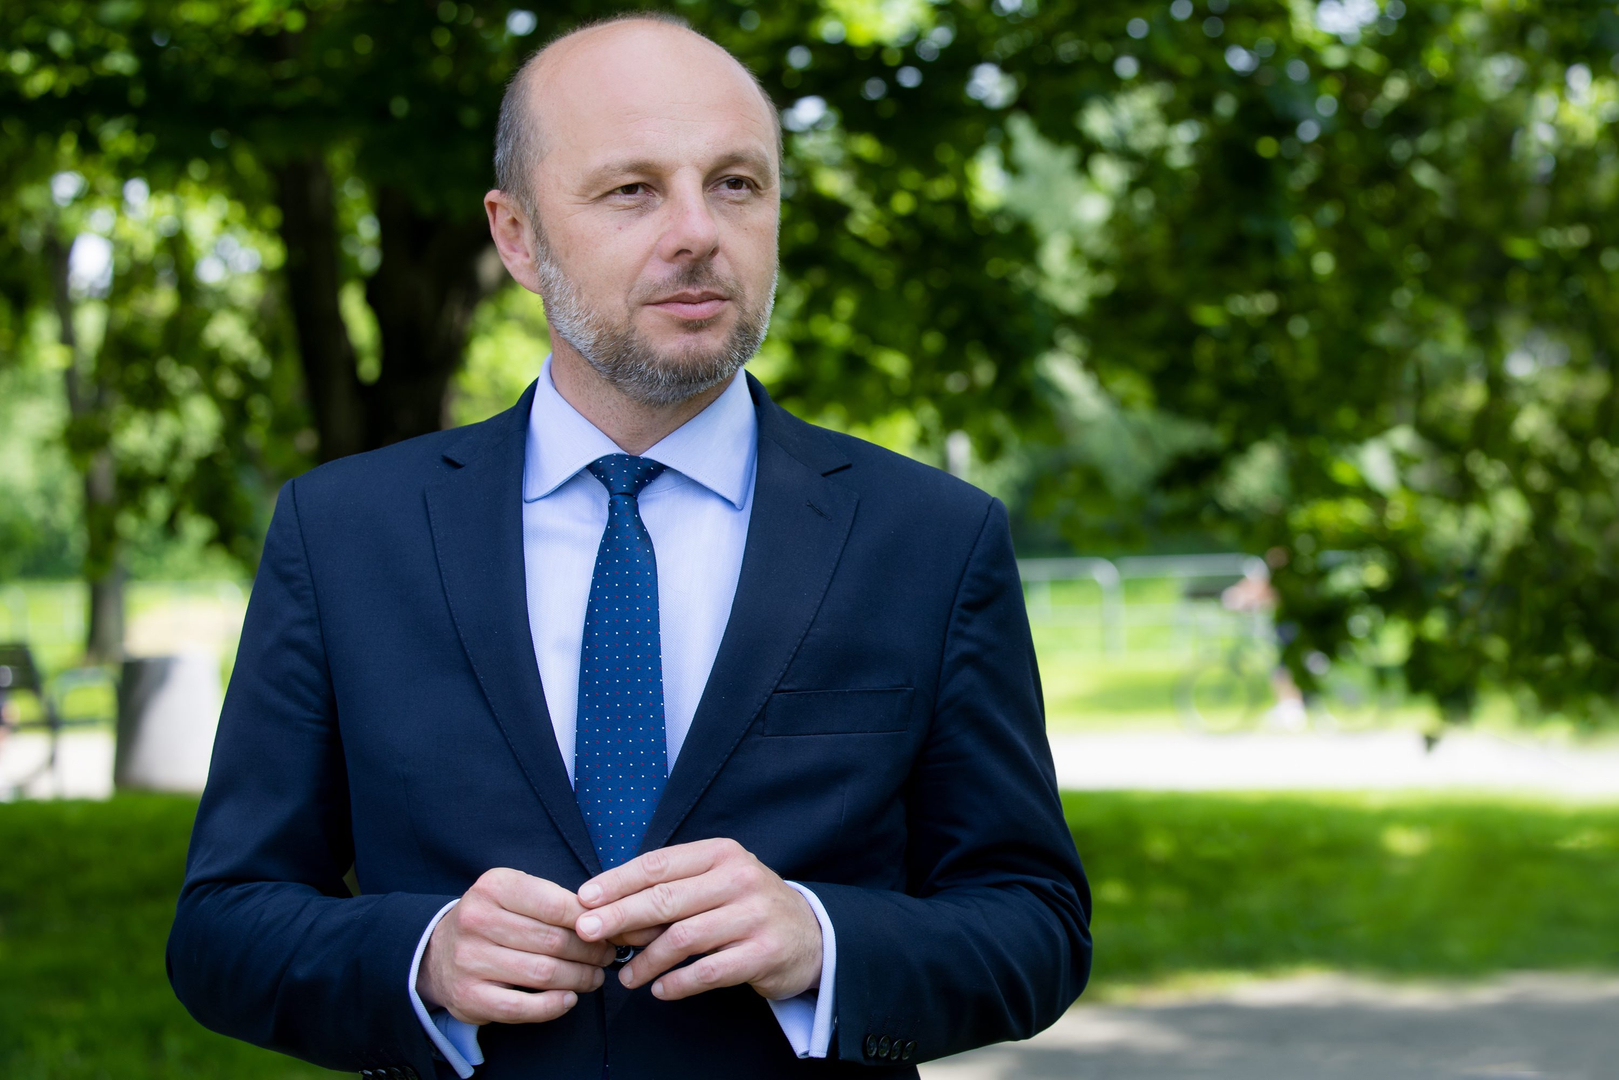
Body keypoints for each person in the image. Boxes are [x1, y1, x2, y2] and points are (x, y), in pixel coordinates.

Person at [167, 14, 1090, 1080]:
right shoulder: (342, 534)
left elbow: (1033, 926)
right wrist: (421, 961)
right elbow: (223, 926)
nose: (697, 231)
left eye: (735, 184)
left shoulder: (929, 538)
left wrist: (822, 942)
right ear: (517, 236)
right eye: (631, 190)